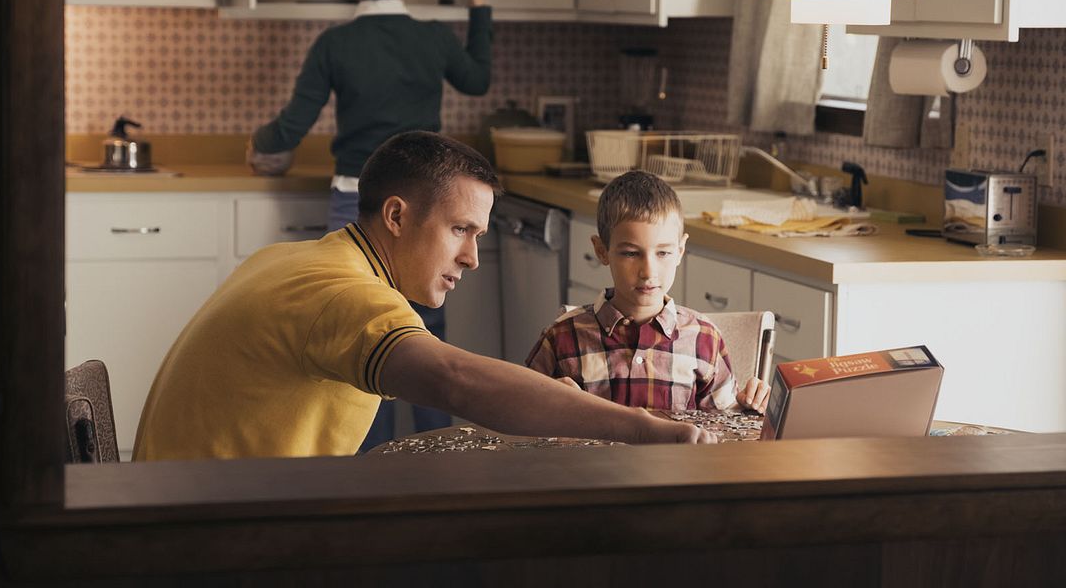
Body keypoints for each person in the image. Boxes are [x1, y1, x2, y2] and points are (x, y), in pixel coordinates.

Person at [132, 133, 714, 460]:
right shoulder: (344, 294)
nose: (472, 257)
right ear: (396, 216)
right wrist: (645, 429)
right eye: (460, 230)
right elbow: (454, 381)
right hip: (205, 547)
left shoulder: (291, 259)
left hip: (187, 513)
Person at [247, 0, 493, 449]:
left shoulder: (336, 44)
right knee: (426, 340)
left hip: (356, 204)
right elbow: (478, 79)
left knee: (362, 343)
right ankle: (438, 457)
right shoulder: (431, 39)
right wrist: (479, 3)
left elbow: (289, 128)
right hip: (429, 206)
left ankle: (367, 462)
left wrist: (257, 142)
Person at [526, 170, 771, 413]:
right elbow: (519, 415)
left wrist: (748, 408)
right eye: (631, 253)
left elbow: (724, 429)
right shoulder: (561, 337)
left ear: (681, 250)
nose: (648, 271)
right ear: (602, 251)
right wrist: (544, 405)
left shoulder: (704, 338)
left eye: (663, 253)